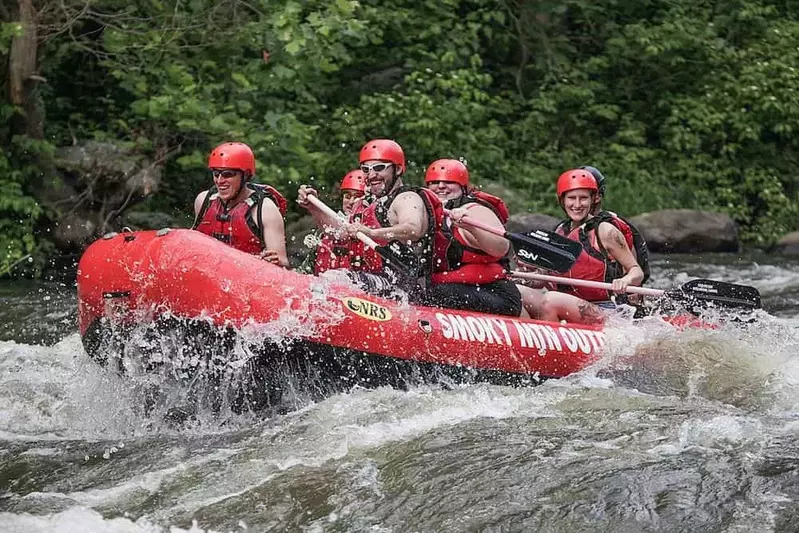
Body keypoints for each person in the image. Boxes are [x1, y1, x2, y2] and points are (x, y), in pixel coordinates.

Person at [298, 139, 442, 299]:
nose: (372, 175)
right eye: (365, 169)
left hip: (402, 288)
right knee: (327, 279)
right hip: (370, 282)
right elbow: (339, 234)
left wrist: (372, 233)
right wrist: (314, 208)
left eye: (379, 168)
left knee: (336, 280)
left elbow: (414, 229)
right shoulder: (366, 204)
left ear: (398, 169)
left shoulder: (407, 198)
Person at [518, 168, 645, 323]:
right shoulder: (559, 232)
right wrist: (525, 278)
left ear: (593, 199)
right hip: (566, 303)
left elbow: (637, 271)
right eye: (571, 198)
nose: (577, 205)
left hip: (606, 311)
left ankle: (552, 342)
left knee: (551, 300)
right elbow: (546, 277)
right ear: (562, 200)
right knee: (520, 292)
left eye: (583, 198)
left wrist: (625, 280)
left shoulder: (605, 230)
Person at [423, 159, 522, 317]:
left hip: (496, 293)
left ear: (462, 185)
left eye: (449, 181)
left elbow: (501, 247)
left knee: (436, 293)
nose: (441, 186)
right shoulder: (428, 211)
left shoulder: (472, 209)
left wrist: (470, 227)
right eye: (434, 182)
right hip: (456, 289)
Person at [193, 142, 289, 267]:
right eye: (216, 174)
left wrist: (276, 262)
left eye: (228, 174)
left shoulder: (265, 209)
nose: (220, 181)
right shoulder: (203, 201)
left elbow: (283, 264)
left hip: (248, 277)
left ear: (246, 175)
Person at [301, 169, 377, 275]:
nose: (351, 202)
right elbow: (306, 270)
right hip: (326, 287)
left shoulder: (376, 229)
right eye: (348, 196)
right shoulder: (326, 230)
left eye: (358, 196)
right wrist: (313, 207)